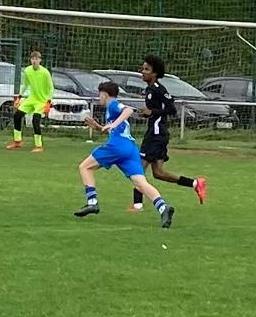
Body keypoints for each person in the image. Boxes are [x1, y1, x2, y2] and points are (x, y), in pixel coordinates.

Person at [73, 81, 174, 228]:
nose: (99, 98)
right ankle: (163, 208)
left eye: (100, 94)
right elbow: (114, 129)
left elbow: (128, 110)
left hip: (117, 146)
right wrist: (98, 127)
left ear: (105, 94)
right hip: (130, 149)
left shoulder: (113, 105)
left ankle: (92, 202)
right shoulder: (111, 111)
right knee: (141, 183)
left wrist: (113, 124)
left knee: (85, 167)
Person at [129, 55, 207, 211]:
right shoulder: (150, 89)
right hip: (156, 133)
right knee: (158, 173)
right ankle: (195, 183)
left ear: (155, 73)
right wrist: (147, 113)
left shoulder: (158, 89)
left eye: (146, 69)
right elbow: (157, 111)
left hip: (156, 135)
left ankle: (137, 206)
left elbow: (171, 109)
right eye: (142, 68)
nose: (142, 71)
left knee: (138, 170)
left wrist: (152, 112)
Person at [7, 50, 55, 152]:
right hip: (32, 98)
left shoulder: (45, 72)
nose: (34, 61)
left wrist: (48, 102)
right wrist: (19, 97)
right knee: (17, 116)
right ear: (30, 60)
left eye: (36, 59)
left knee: (35, 120)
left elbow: (51, 88)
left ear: (40, 60)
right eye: (32, 59)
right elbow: (25, 84)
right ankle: (17, 141)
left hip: (42, 100)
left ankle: (39, 146)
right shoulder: (27, 70)